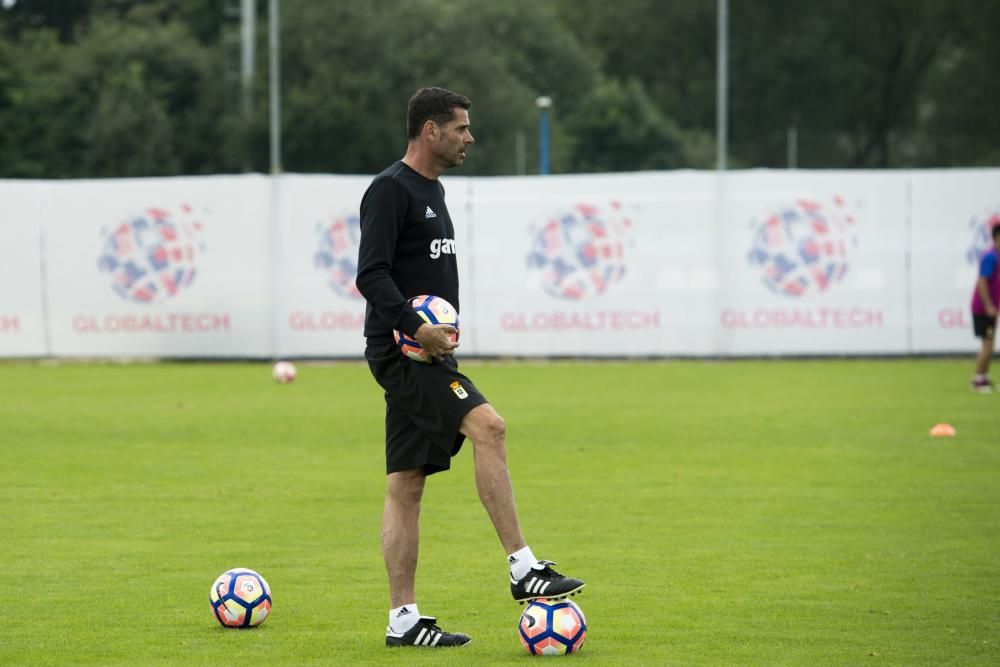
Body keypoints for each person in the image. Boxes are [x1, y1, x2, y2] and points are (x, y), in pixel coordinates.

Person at [356, 87, 585, 648]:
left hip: (428, 349)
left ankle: (403, 622)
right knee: (491, 427)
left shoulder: (433, 190)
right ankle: (523, 568)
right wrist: (416, 326)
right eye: (460, 128)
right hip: (405, 351)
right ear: (429, 131)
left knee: (405, 485)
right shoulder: (390, 190)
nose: (470, 137)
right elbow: (371, 274)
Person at [970, 223, 1000, 393]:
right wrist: (988, 305)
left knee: (990, 343)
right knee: (987, 343)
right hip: (983, 308)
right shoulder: (990, 257)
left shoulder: (997, 255)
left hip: (992, 308)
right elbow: (982, 282)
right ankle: (978, 380)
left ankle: (984, 377)